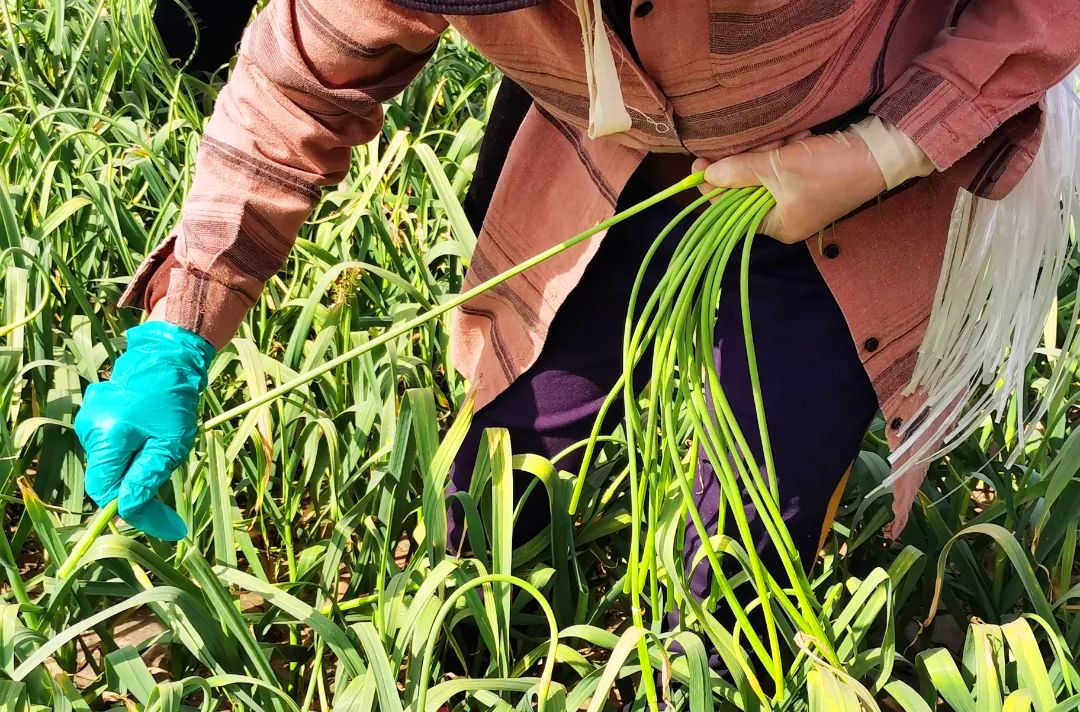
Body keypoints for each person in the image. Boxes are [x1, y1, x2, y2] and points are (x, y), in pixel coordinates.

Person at [76, 0, 1079, 601]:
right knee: (511, 473)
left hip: (833, 179)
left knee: (750, 533)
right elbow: (297, 86)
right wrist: (178, 334)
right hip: (594, 156)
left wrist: (878, 152)